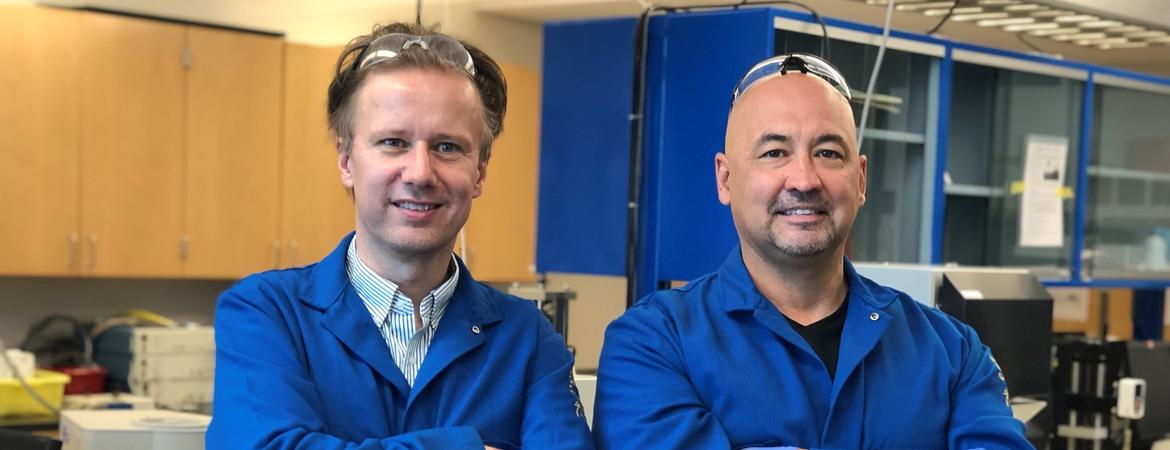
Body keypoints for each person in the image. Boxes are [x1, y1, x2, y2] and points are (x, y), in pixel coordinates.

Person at [592, 54, 1031, 449]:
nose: (804, 179)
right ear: (725, 179)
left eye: (827, 152)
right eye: (774, 152)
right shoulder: (653, 344)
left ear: (861, 180)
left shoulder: (953, 352)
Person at [207, 22, 594, 450]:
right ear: (346, 161)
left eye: (448, 147)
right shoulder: (268, 314)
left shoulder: (527, 339)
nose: (420, 173)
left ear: (480, 172)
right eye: (393, 142)